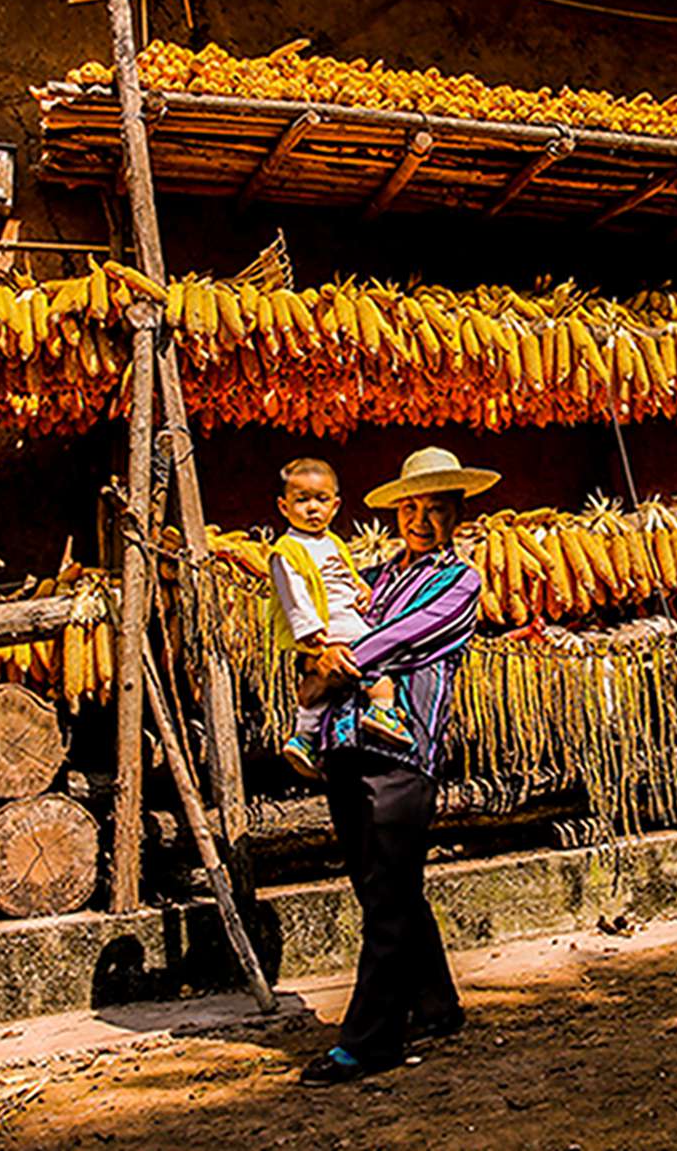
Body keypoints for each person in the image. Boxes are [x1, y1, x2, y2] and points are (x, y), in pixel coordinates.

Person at [297, 446, 496, 1087]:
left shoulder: (460, 582)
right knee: (382, 886)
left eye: (437, 509)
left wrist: (337, 659)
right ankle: (437, 1005)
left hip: (403, 752)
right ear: (397, 512)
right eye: (412, 507)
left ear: (458, 515)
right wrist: (318, 654)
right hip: (344, 742)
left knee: (387, 895)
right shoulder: (370, 578)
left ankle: (371, 1041)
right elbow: (317, 625)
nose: (422, 520)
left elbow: (403, 638)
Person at [265, 457, 411, 781]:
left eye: (321, 499)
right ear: (283, 507)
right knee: (379, 660)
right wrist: (310, 631)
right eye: (302, 500)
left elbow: (346, 576)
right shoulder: (286, 550)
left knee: (319, 686)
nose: (312, 508)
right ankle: (382, 711)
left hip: (345, 616)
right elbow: (293, 594)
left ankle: (304, 738)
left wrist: (361, 589)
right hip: (328, 625)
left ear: (335, 506)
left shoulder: (333, 543)